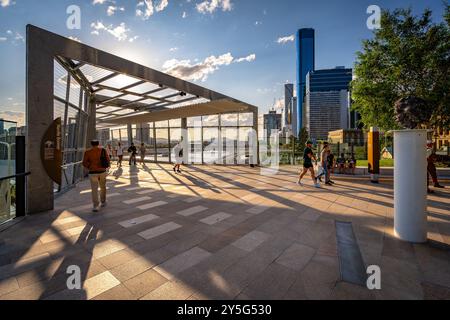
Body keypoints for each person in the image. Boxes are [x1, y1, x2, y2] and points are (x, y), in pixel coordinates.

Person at [82, 140, 110, 212]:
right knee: (102, 187)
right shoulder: (103, 150)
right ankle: (103, 202)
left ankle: (95, 206)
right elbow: (108, 159)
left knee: (94, 189)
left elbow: (84, 162)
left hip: (93, 172)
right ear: (98, 144)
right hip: (102, 172)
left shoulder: (87, 152)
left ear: (91, 144)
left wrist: (90, 167)